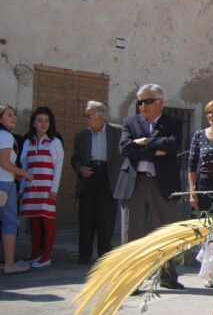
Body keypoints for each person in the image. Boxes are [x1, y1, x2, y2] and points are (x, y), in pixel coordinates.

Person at [114, 84, 184, 289]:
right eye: (139, 101)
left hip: (161, 183)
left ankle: (167, 277)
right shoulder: (130, 122)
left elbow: (172, 145)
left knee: (165, 231)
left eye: (146, 101)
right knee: (131, 234)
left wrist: (144, 142)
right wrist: (155, 148)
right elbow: (125, 148)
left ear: (160, 102)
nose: (142, 105)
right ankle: (130, 282)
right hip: (134, 183)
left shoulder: (172, 122)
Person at [71, 101, 122, 265]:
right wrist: (80, 169)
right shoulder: (81, 136)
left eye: (88, 116)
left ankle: (104, 255)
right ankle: (84, 255)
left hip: (109, 177)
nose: (85, 119)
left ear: (101, 117)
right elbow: (75, 158)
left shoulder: (117, 132)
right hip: (89, 177)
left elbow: (124, 156)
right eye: (85, 116)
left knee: (106, 218)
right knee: (86, 218)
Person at [17, 106, 65, 268]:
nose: (43, 124)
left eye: (46, 121)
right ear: (34, 123)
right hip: (31, 189)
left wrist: (54, 189)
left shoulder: (55, 142)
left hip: (47, 189)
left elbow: (58, 167)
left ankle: (46, 257)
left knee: (47, 221)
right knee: (34, 221)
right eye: (40, 120)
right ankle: (34, 254)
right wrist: (23, 188)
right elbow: (24, 166)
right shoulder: (28, 142)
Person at [0, 105, 33, 274]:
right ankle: (10, 264)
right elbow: (4, 163)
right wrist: (24, 173)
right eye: (9, 115)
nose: (13, 118)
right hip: (5, 184)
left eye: (14, 115)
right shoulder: (5, 136)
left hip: (6, 180)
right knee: (10, 223)